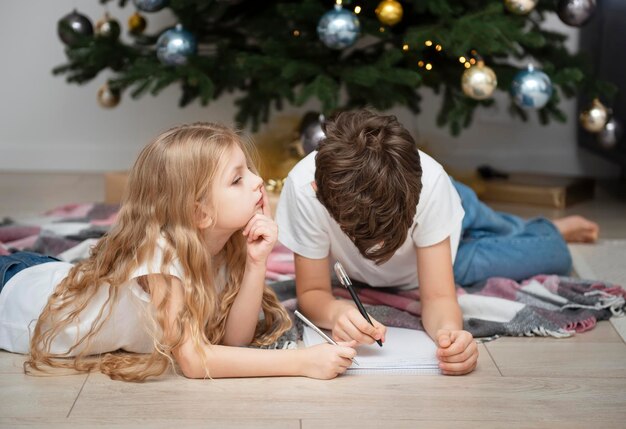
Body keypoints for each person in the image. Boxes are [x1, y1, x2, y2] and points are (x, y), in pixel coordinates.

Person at [0, 122, 356, 382]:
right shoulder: (161, 254)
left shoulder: (222, 242)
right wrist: (302, 363)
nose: (257, 181)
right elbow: (194, 360)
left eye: (247, 170)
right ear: (199, 212)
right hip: (18, 298)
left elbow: (236, 340)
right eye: (237, 179)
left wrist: (255, 264)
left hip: (49, 272)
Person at [276, 109, 599, 376]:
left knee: (533, 241)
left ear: (415, 191)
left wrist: (450, 334)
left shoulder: (431, 182)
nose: (376, 253)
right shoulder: (304, 188)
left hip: (443, 220)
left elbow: (439, 296)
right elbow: (313, 293)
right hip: (453, 254)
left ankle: (539, 226)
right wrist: (336, 312)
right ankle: (526, 228)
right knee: (520, 242)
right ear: (319, 190)